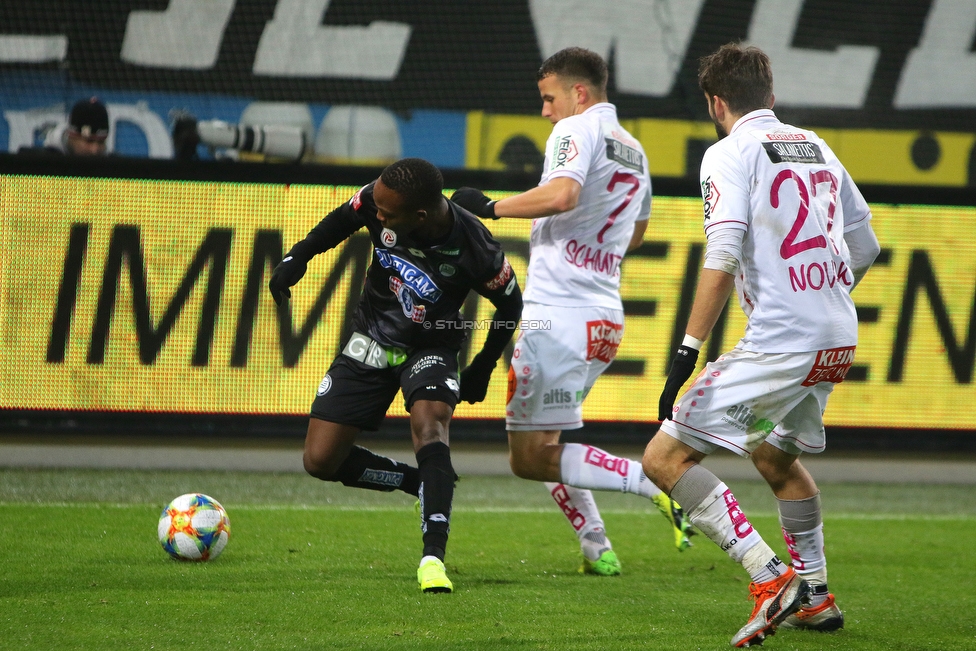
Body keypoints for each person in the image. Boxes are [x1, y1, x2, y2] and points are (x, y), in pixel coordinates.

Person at [641, 43, 881, 647]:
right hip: (836, 333)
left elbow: (722, 256)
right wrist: (820, 292)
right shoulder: (817, 146)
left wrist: (686, 350)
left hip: (782, 339)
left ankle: (772, 579)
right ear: (770, 97)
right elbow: (867, 245)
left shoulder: (727, 153)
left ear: (715, 103)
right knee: (775, 459)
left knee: (663, 460)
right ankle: (817, 595)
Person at [451, 46, 693, 577]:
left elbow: (561, 195)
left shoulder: (575, 130)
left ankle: (649, 481)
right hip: (603, 320)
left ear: (578, 93)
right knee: (549, 444)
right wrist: (595, 257)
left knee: (527, 457)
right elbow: (639, 230)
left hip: (556, 318)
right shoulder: (633, 148)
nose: (545, 111)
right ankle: (596, 545)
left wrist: (488, 207)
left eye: (549, 97)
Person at [268, 157, 523, 593]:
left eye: (386, 213)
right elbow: (344, 218)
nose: (376, 213)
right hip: (371, 336)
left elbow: (511, 307)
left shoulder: (476, 247)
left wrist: (482, 366)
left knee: (430, 425)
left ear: (419, 216)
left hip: (432, 345)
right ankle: (416, 481)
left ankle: (432, 559)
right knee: (320, 461)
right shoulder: (379, 199)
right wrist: (299, 255)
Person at [43, 97, 110, 156]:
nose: (94, 150)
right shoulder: (44, 164)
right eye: (89, 141)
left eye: (101, 142)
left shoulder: (110, 167)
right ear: (70, 136)